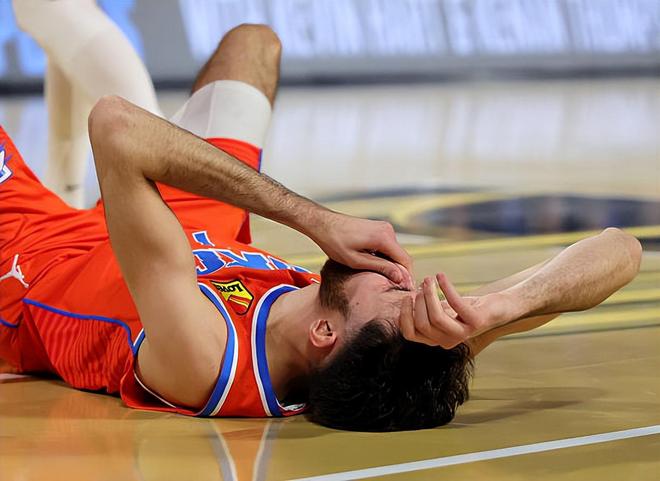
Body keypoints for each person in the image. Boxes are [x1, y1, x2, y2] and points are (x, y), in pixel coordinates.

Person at [0, 23, 642, 431]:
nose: (405, 277)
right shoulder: (399, 346)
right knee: (254, 46)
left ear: (325, 333)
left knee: (123, 111)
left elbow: (116, 126)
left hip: (34, 263)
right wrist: (504, 307)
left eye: (393, 293)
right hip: (194, 235)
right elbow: (622, 250)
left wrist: (314, 218)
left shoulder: (207, 357)